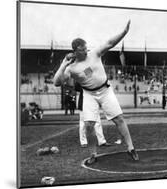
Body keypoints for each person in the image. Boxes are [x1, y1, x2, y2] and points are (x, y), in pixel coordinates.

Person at [53, 20, 139, 164]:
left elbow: (110, 43)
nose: (86, 51)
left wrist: (124, 32)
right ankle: (93, 154)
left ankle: (131, 148)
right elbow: (57, 82)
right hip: (89, 95)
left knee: (119, 119)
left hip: (105, 90)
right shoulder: (71, 67)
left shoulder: (94, 53)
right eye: (82, 49)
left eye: (86, 48)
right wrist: (62, 66)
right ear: (75, 51)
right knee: (89, 125)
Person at [74, 82, 112, 148]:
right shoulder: (80, 76)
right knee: (83, 124)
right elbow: (76, 87)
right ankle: (83, 142)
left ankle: (101, 141)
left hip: (93, 102)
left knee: (98, 122)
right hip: (83, 103)